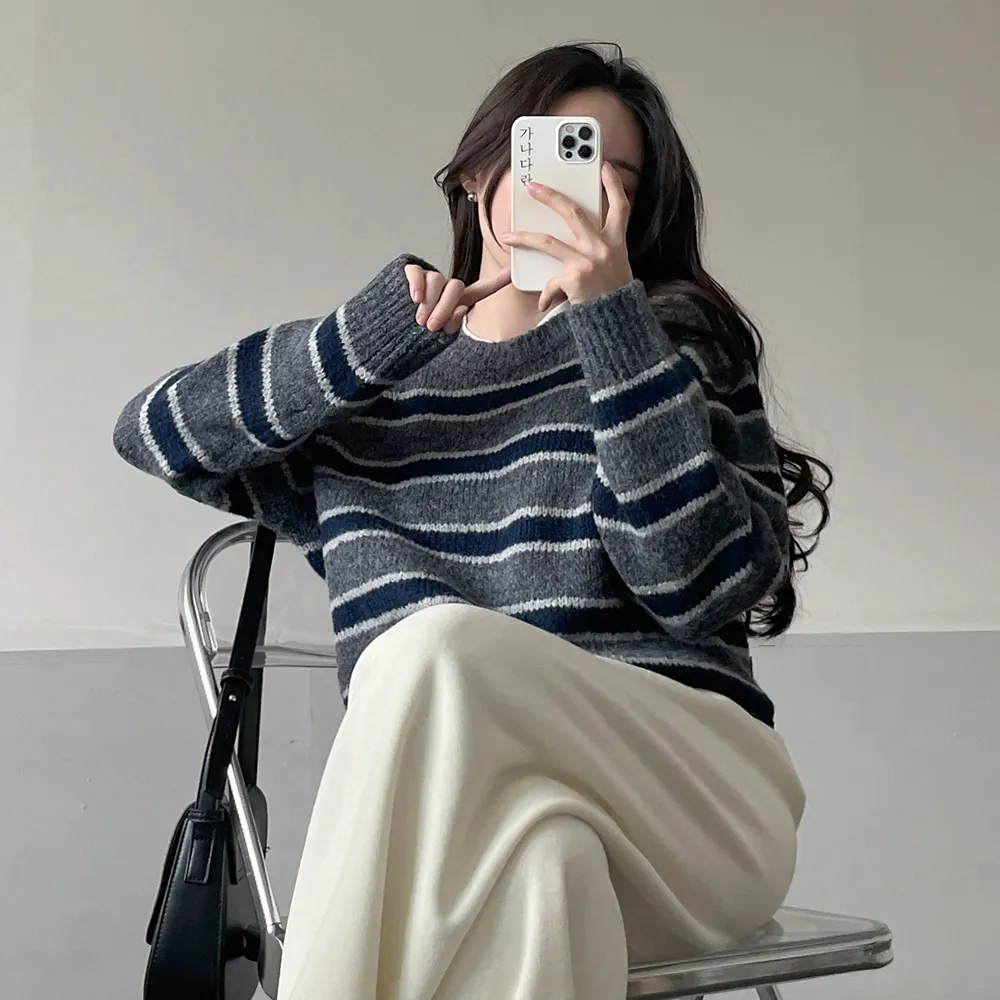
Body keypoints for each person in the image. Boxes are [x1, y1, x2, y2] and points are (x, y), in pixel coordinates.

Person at [115, 42, 831, 1000]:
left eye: (613, 177)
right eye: (555, 158)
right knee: (544, 874)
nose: (580, 196)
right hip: (494, 831)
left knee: (429, 648)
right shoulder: (372, 393)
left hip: (696, 812)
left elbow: (692, 584)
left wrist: (612, 321)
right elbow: (155, 432)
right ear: (475, 176)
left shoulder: (669, 343)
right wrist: (370, 339)